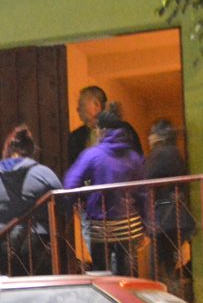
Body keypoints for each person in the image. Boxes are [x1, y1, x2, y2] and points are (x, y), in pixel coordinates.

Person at [63, 103, 147, 276]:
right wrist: (147, 225)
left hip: (100, 227)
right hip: (129, 225)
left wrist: (74, 204)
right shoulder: (133, 157)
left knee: (102, 276)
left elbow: (71, 183)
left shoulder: (92, 155)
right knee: (129, 275)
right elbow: (143, 192)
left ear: (100, 130)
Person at [0, 124, 63, 275]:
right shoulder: (43, 174)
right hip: (37, 243)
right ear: (31, 151)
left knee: (6, 292)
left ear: (7, 150)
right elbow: (62, 203)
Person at [144, 118, 195, 299]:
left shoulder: (161, 154)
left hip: (166, 219)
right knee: (166, 266)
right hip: (175, 218)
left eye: (151, 133)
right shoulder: (174, 153)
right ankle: (172, 301)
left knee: (156, 270)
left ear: (159, 136)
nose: (148, 138)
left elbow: (146, 181)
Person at [67, 86, 142, 169]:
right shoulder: (76, 137)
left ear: (96, 105)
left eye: (82, 104)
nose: (78, 109)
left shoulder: (123, 130)